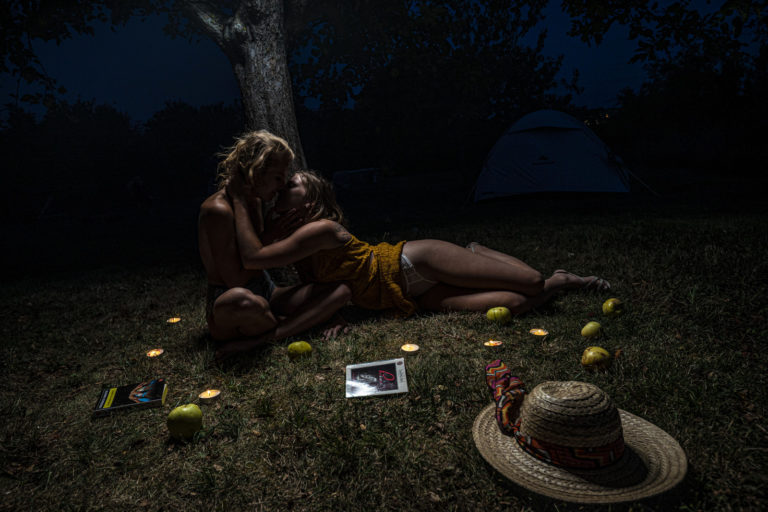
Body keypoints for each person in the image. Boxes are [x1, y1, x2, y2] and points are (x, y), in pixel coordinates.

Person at [221, 169, 609, 356]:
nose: (281, 186)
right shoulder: (296, 239)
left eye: (291, 183)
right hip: (409, 297)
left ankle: (476, 252)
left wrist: (240, 199)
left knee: (532, 282)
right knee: (515, 305)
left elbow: (254, 257)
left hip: (415, 262)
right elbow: (321, 285)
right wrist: (331, 313)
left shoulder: (321, 229)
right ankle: (562, 280)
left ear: (311, 200)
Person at [198, 131, 351, 358]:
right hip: (231, 303)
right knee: (241, 299)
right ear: (256, 171)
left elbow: (257, 253)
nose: (281, 186)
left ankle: (282, 326)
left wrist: (270, 234)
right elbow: (236, 279)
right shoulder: (218, 210)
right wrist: (241, 205)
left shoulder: (255, 201)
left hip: (267, 292)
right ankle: (296, 323)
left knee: (340, 290)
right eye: (278, 177)